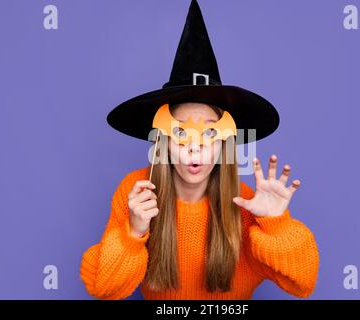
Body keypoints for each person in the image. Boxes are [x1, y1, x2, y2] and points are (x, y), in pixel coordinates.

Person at [80, 0, 319, 300]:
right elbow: (104, 288)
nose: (195, 146)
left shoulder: (247, 203)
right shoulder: (137, 193)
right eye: (180, 132)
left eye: (209, 131)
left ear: (224, 142)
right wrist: (134, 232)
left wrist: (276, 224)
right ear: (164, 141)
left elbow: (303, 283)